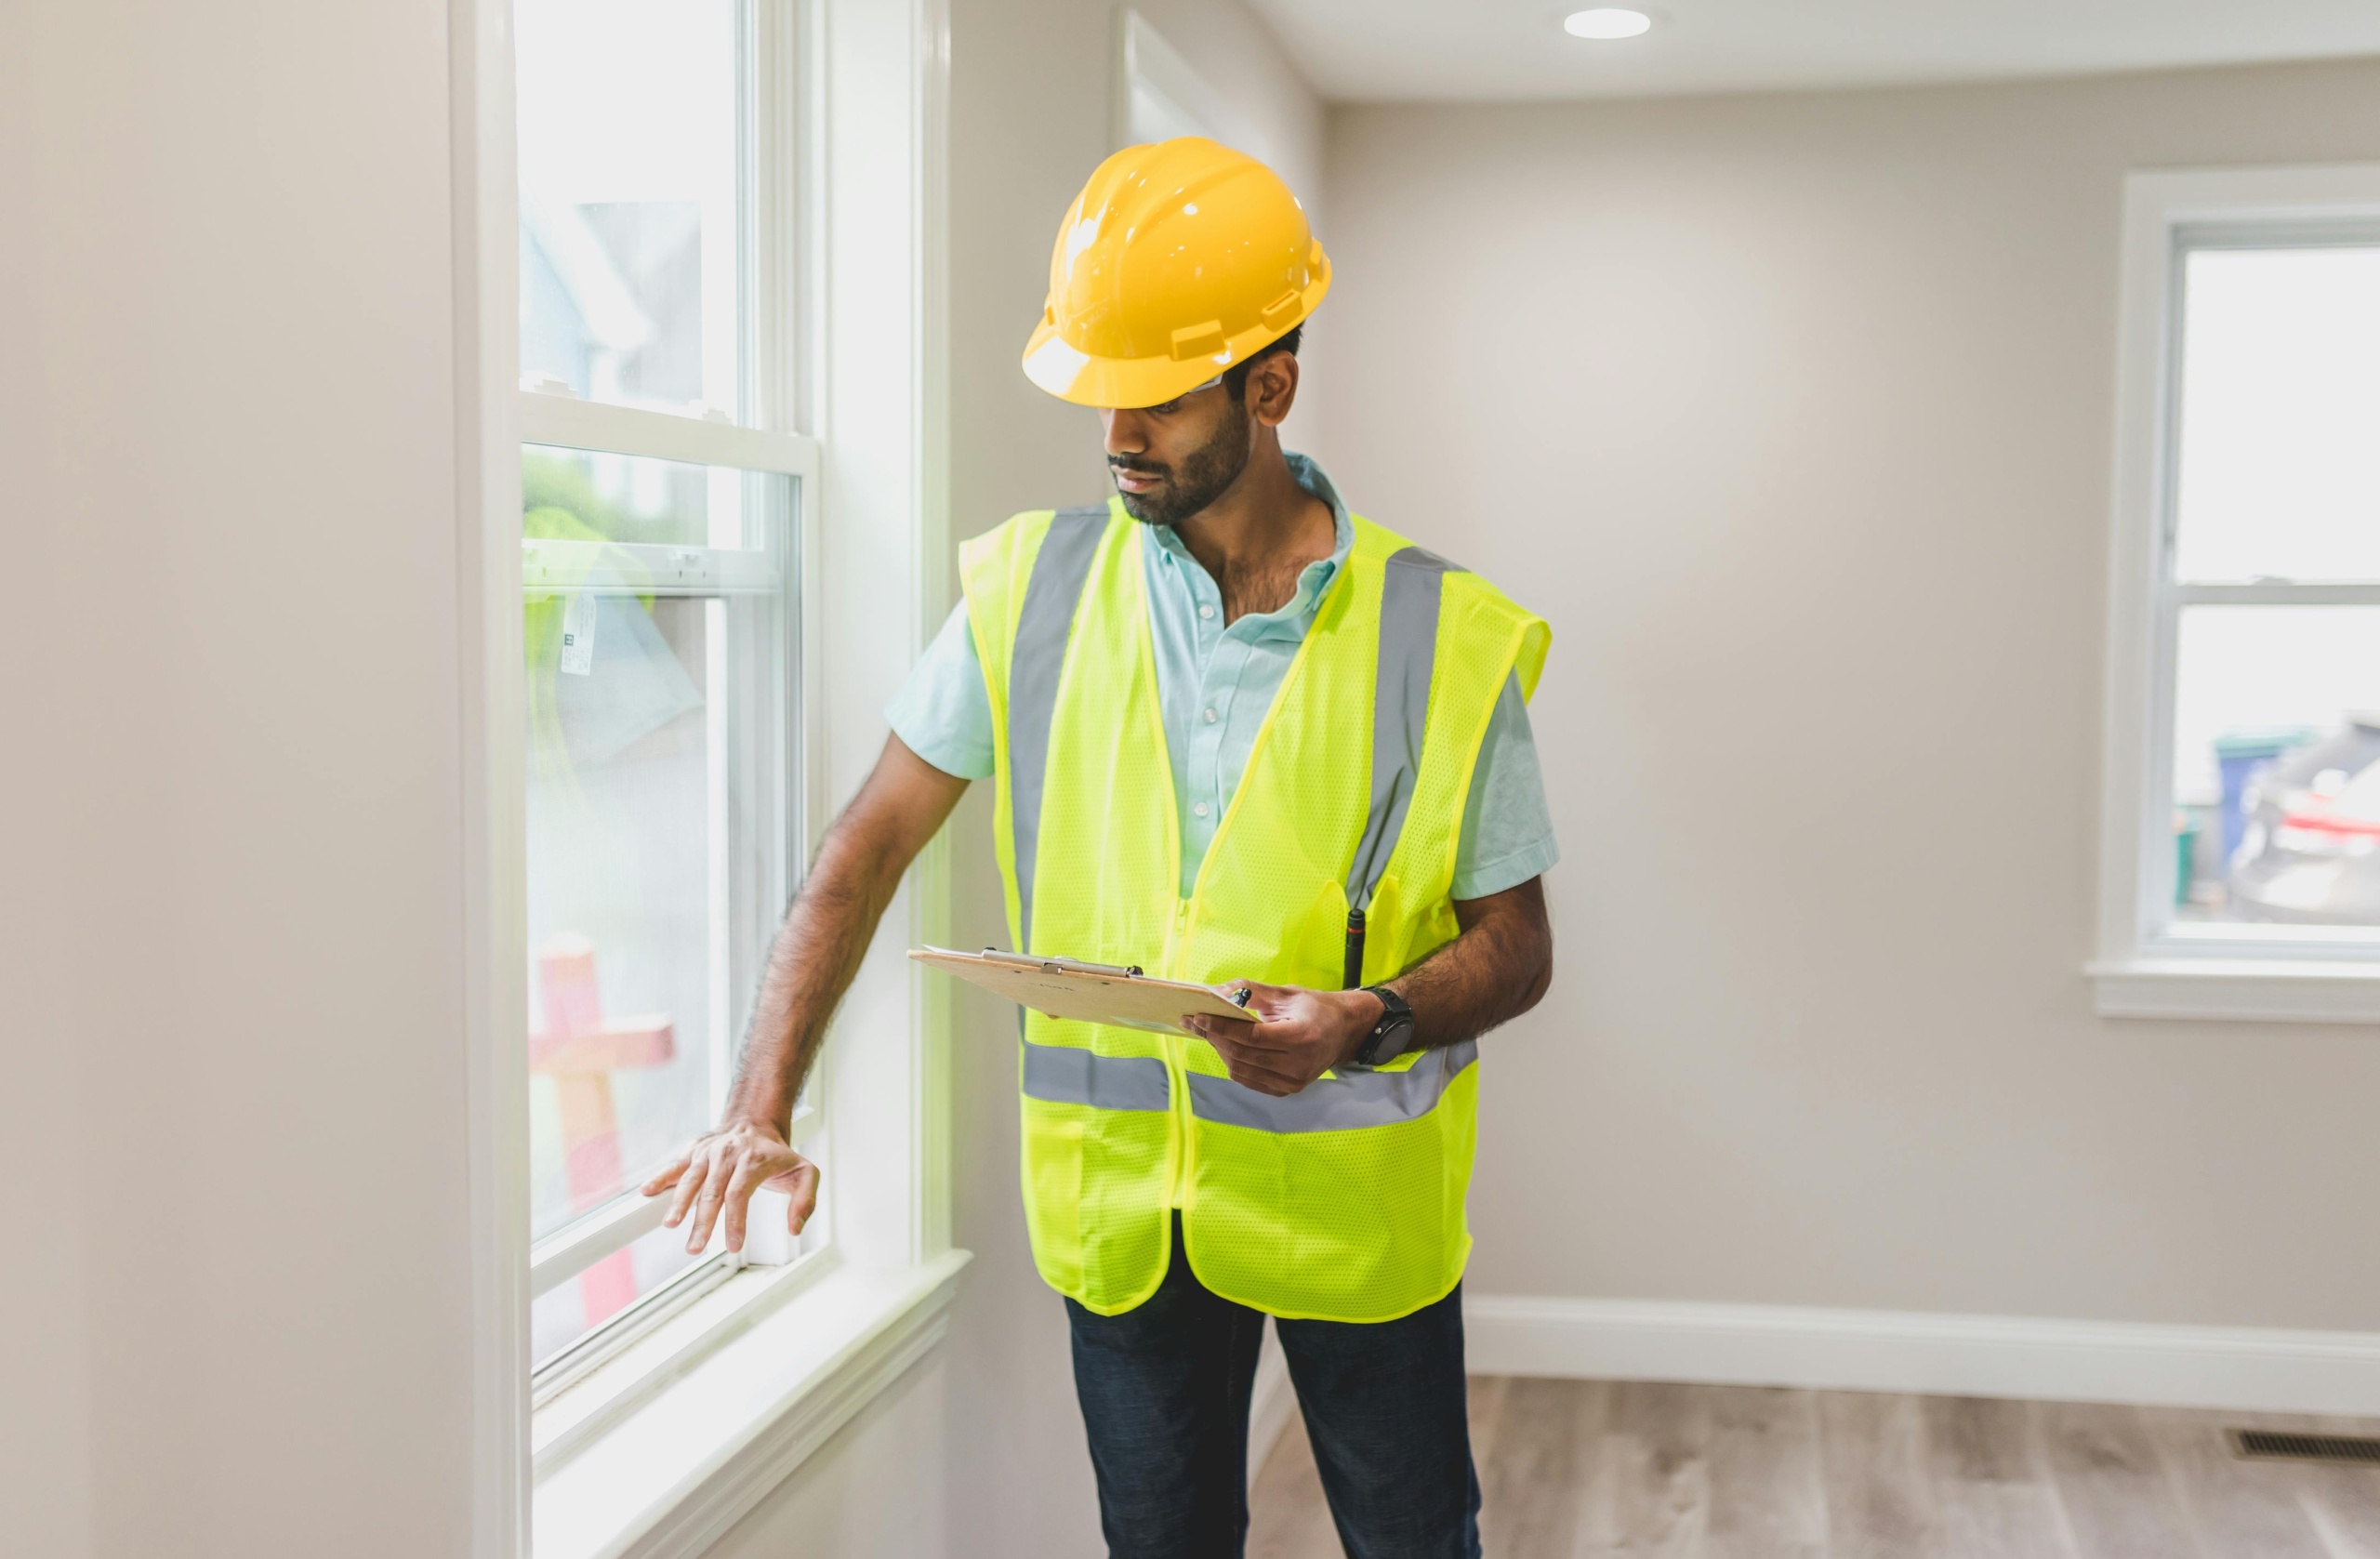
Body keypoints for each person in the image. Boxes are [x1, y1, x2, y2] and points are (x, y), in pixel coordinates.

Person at [643, 137, 1556, 1559]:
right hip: (1125, 1222)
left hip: (1356, 1224)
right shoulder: (1031, 590)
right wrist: (759, 1105)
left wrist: (1367, 1017)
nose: (1120, 434)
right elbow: (864, 848)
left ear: (1271, 386)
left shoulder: (1448, 635)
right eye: (1101, 395)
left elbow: (1518, 944)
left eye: (1160, 397)